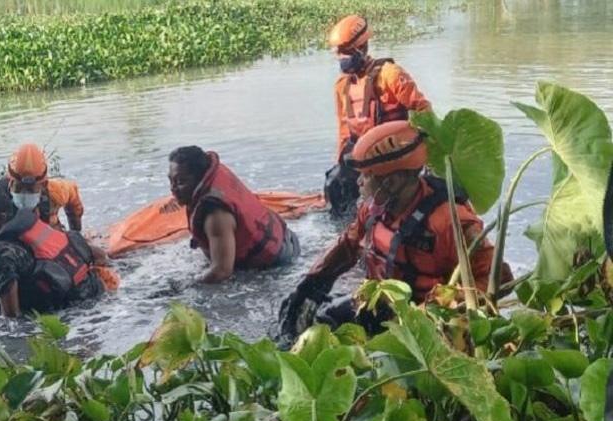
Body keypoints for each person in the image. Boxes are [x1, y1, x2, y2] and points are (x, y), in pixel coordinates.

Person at [279, 121, 511, 339]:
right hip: (382, 304)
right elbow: (348, 246)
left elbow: (497, 279)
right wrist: (311, 284)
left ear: (392, 181)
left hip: (429, 323)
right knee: (316, 317)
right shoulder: (373, 210)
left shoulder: (450, 222)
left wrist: (433, 312)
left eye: (366, 175)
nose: (359, 182)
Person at [325, 15, 432, 216]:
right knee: (334, 185)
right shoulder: (342, 86)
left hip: (392, 152)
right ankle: (345, 232)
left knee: (383, 197)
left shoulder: (390, 74)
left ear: (362, 47)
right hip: (360, 152)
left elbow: (423, 109)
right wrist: (339, 162)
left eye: (346, 52)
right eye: (339, 53)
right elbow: (343, 130)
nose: (342, 58)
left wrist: (425, 154)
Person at [0, 186, 109, 318]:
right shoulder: (32, 225)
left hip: (71, 313)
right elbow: (101, 255)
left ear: (1, 218)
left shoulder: (0, 253)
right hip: (97, 293)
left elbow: (11, 317)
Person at [168, 146, 300, 283]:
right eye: (171, 180)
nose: (172, 188)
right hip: (285, 236)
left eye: (180, 182)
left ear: (200, 179)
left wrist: (186, 286)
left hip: (278, 261)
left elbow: (221, 272)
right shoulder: (213, 178)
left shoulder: (215, 214)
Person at [0, 143, 84, 283]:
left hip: (50, 251)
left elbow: (73, 197)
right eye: (19, 188)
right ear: (10, 182)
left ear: (43, 185)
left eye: (31, 190)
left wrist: (77, 231)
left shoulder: (56, 192)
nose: (24, 194)